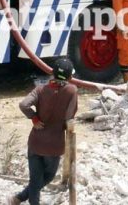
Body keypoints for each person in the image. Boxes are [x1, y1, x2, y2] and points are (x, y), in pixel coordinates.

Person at [6, 58, 78, 205]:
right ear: (70, 77)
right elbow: (69, 117)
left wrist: (34, 118)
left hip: (35, 142)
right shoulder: (72, 91)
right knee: (47, 177)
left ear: (52, 73)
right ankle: (18, 198)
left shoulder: (40, 89)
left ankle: (19, 198)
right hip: (54, 145)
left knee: (35, 179)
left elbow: (23, 104)